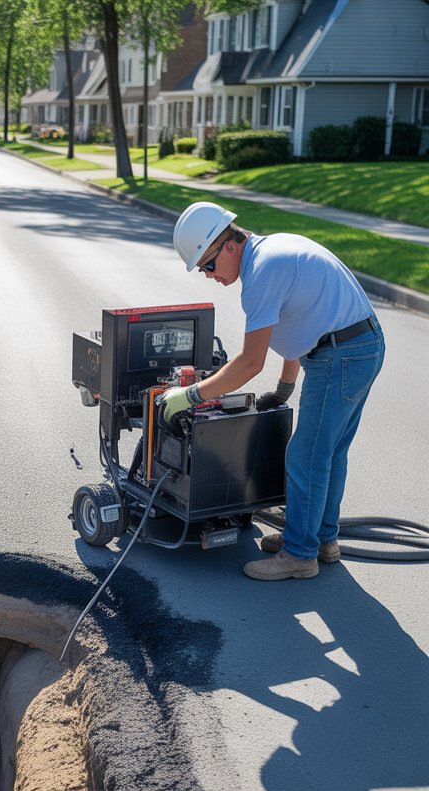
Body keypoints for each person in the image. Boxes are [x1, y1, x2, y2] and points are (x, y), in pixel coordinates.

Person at [162, 201, 385, 581]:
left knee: (305, 457)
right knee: (328, 452)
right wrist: (284, 389)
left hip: (340, 355)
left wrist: (192, 395)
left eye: (209, 265)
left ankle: (299, 554)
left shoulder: (262, 275)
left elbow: (250, 362)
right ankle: (321, 540)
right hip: (359, 346)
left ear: (229, 245)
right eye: (202, 270)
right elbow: (300, 324)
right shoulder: (273, 251)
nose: (209, 275)